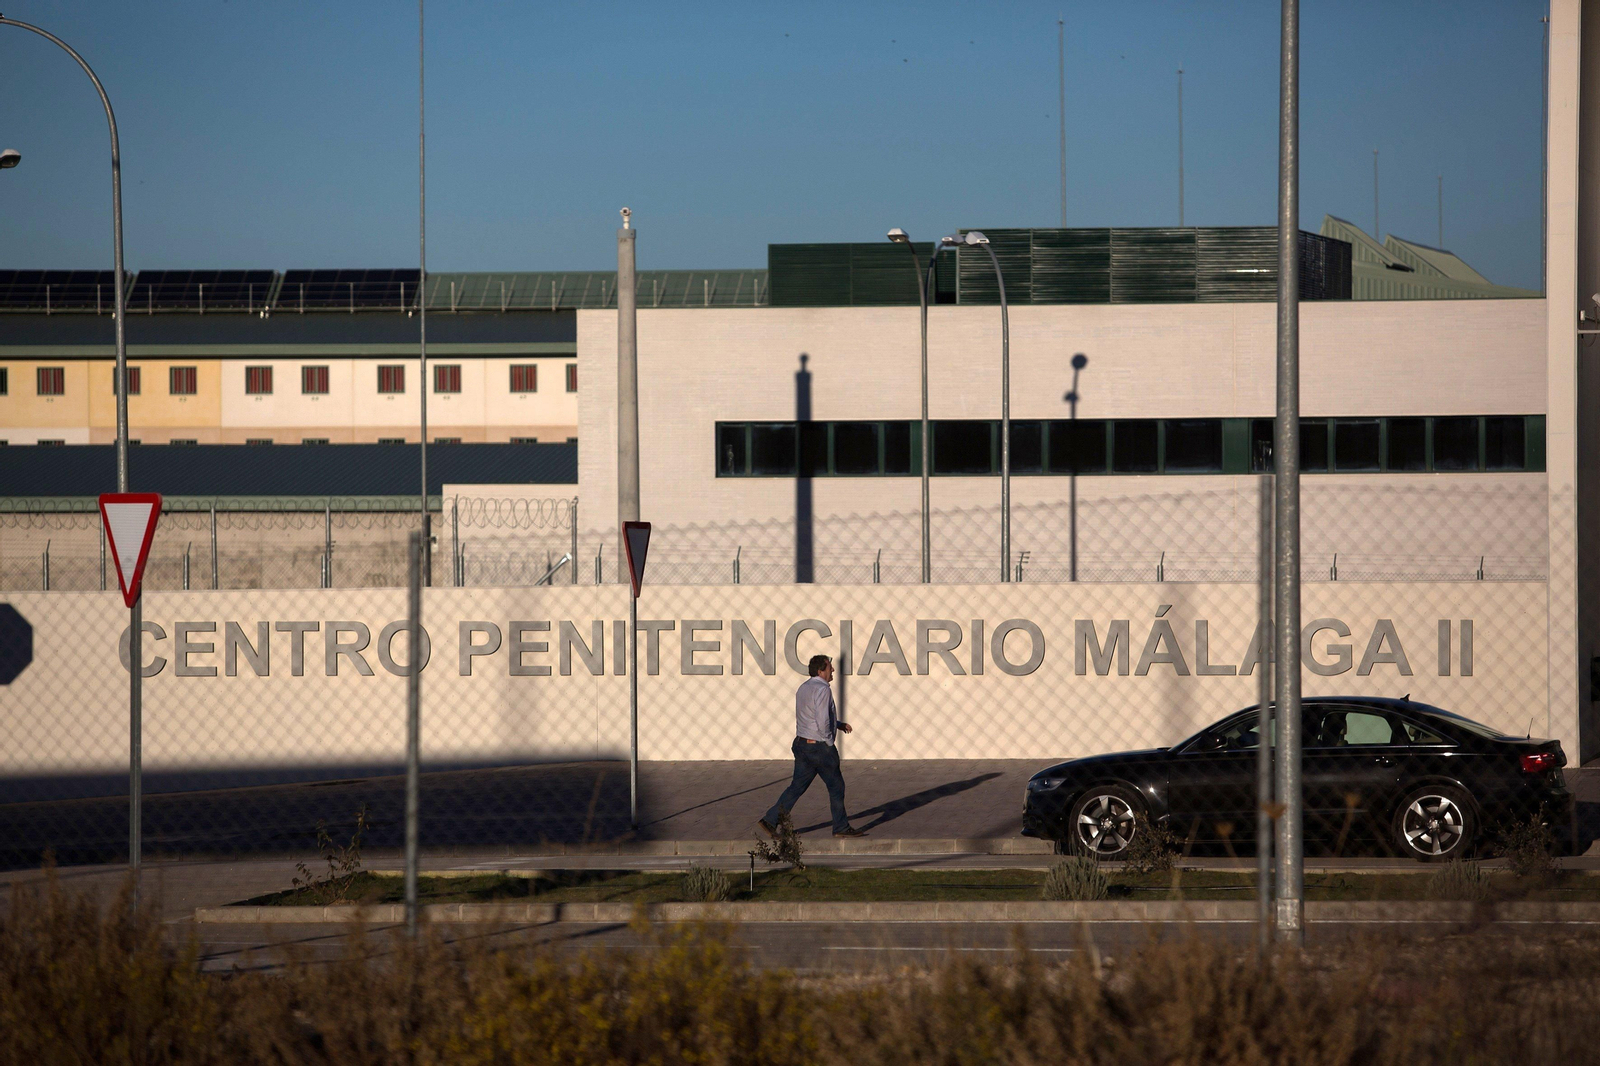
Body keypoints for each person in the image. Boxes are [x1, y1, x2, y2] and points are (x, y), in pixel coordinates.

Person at [759, 653, 866, 838]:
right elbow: (822, 720)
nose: (833, 670)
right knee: (836, 786)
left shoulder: (804, 688)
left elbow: (810, 715)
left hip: (802, 744)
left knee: (796, 787)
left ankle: (770, 820)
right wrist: (829, 742)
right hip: (819, 748)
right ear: (821, 670)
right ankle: (840, 827)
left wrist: (838, 724)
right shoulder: (823, 690)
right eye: (829, 667)